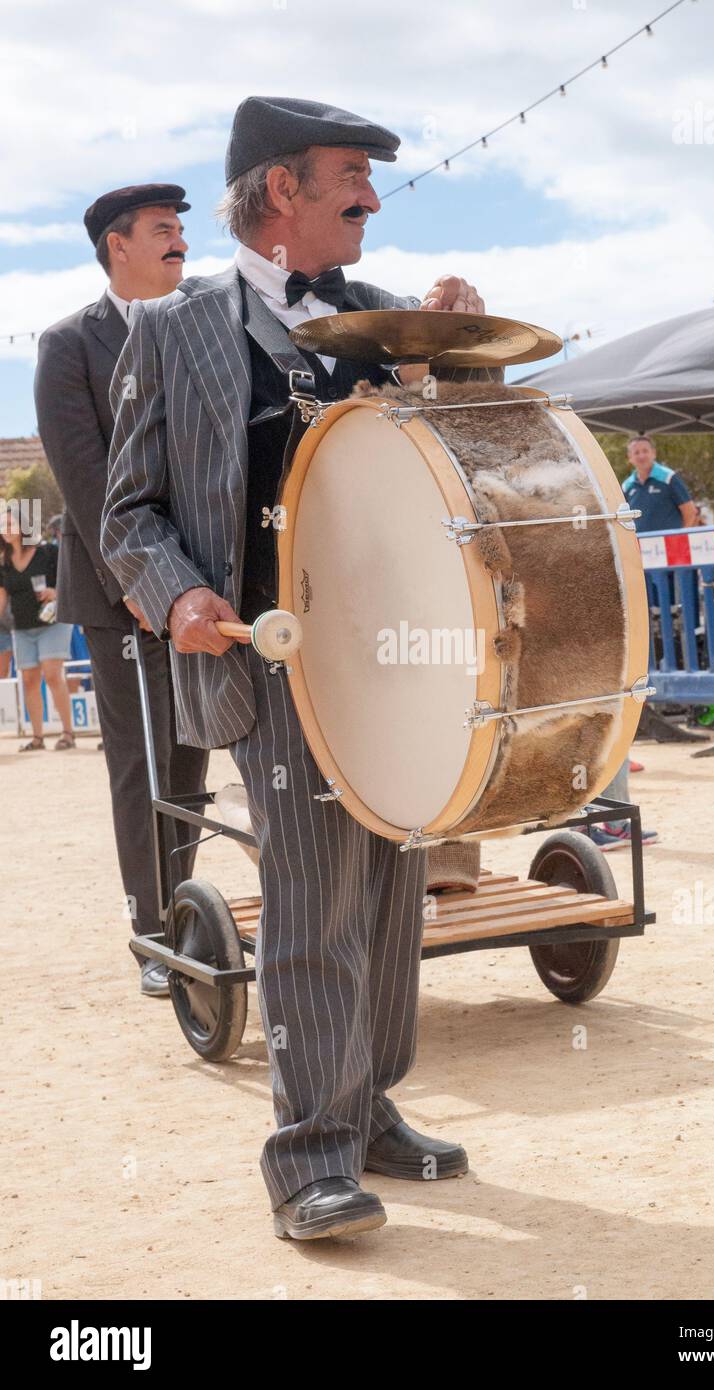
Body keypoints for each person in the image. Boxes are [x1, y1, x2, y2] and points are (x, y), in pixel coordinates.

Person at [102, 95, 497, 1242]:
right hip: (276, 656)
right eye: (349, 180)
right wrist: (175, 590)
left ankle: (369, 1106)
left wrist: (457, 354)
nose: (372, 199)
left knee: (386, 891)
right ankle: (309, 1157)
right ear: (281, 191)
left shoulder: (380, 314)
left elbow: (463, 458)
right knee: (314, 902)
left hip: (398, 656)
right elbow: (126, 511)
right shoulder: (173, 332)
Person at [34, 183, 209, 998]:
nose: (180, 242)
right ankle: (153, 933)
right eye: (163, 230)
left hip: (207, 593)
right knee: (143, 765)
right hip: (122, 597)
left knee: (194, 757)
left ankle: (191, 914)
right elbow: (82, 473)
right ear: (118, 246)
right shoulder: (69, 343)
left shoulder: (204, 322)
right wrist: (142, 581)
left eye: (181, 230)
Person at [0, 508, 76, 750]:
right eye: (3, 524)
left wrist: (55, 592)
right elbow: (1, 599)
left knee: (53, 674)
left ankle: (67, 733)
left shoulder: (48, 552)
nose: (6, 528)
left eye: (10, 523)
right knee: (29, 680)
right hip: (22, 628)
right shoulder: (3, 561)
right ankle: (37, 737)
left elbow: (69, 580)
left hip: (53, 623)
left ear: (23, 525)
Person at [622, 436, 698, 532]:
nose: (641, 456)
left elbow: (690, 512)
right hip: (639, 545)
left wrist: (680, 538)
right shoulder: (626, 486)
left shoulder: (669, 478)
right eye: (636, 452)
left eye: (645, 451)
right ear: (630, 457)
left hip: (669, 544)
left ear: (654, 453)